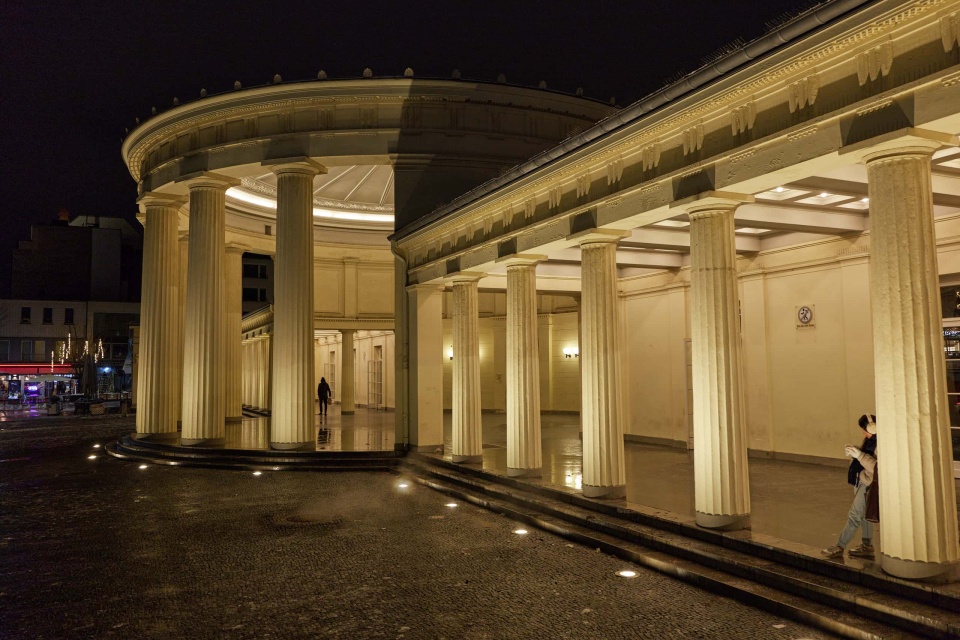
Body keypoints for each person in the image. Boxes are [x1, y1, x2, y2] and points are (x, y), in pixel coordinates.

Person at [821, 413, 877, 559]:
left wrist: (859, 455)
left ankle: (840, 546)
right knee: (865, 516)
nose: (863, 433)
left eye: (864, 429)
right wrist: (855, 452)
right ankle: (867, 545)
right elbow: (865, 456)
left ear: (873, 428)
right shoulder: (870, 440)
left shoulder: (881, 443)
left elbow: (877, 468)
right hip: (861, 480)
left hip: (869, 484)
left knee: (854, 515)